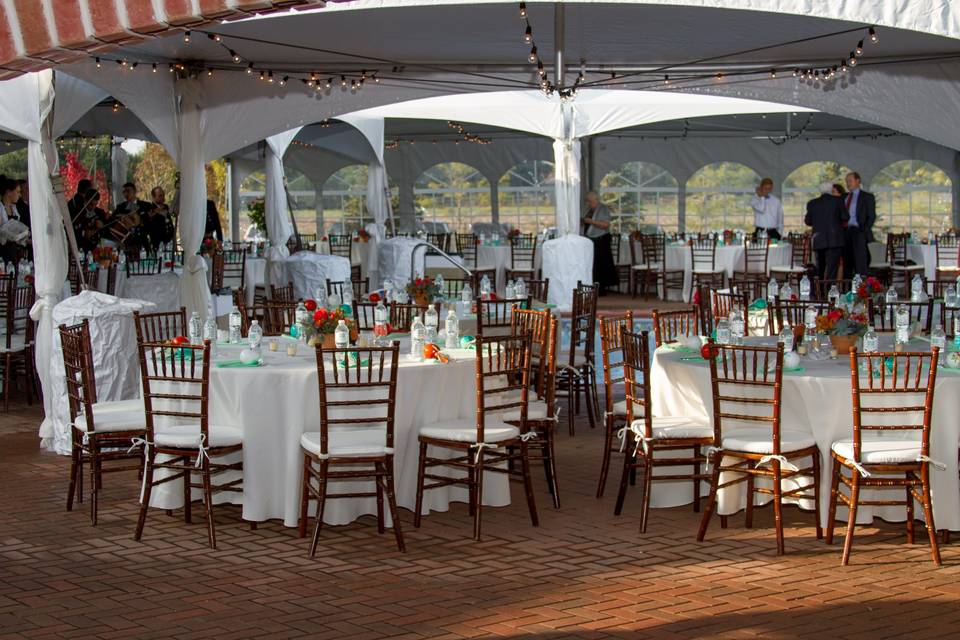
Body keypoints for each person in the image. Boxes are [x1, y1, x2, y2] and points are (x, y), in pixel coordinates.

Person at [805, 182, 849, 280]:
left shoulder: (812, 203)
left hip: (819, 239)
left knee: (820, 267)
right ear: (831, 190)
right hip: (835, 240)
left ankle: (820, 291)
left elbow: (808, 221)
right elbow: (845, 217)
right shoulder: (838, 201)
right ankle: (830, 290)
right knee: (832, 268)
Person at [581, 190, 618, 295]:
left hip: (601, 240)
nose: (588, 204)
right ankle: (594, 287)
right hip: (591, 240)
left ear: (595, 200)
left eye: (590, 201)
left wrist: (590, 221)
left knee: (601, 265)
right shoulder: (590, 210)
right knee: (593, 265)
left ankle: (601, 289)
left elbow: (606, 224)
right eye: (587, 201)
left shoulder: (603, 209)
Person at [842, 171, 876, 277]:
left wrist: (863, 231)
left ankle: (862, 290)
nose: (848, 184)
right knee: (847, 264)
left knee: (860, 264)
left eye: (850, 181)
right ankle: (847, 290)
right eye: (846, 181)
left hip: (859, 231)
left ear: (858, 181)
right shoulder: (844, 197)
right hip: (845, 232)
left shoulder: (867, 197)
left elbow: (871, 216)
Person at [111, 182, 152, 251]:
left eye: (128, 191)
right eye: (124, 192)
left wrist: (138, 220)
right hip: (126, 242)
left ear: (135, 191)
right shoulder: (120, 207)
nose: (126, 194)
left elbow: (149, 222)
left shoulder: (146, 205)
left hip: (142, 241)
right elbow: (113, 219)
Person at [142, 186, 174, 250]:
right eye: (160, 196)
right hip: (157, 241)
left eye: (163, 195)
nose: (162, 197)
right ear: (154, 197)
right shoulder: (150, 208)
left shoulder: (165, 207)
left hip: (168, 240)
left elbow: (169, 223)